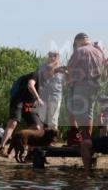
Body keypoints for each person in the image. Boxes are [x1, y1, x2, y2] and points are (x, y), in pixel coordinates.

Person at [65, 32, 106, 171]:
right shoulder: (99, 51)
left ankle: (85, 139)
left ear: (78, 42)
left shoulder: (79, 51)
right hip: (95, 85)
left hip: (81, 85)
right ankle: (88, 139)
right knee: (88, 113)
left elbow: (70, 68)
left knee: (82, 113)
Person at [0, 69, 43, 157]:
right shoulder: (35, 75)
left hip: (29, 104)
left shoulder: (48, 79)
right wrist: (38, 98)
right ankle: (1, 149)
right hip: (18, 101)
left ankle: (30, 154)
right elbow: (30, 85)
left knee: (36, 127)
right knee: (13, 123)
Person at [36, 51, 65, 130]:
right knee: (41, 118)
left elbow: (65, 82)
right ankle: (40, 138)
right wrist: (55, 68)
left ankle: (51, 139)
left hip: (55, 96)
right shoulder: (42, 66)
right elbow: (44, 76)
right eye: (51, 55)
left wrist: (68, 74)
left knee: (53, 119)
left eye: (56, 56)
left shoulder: (62, 67)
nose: (53, 57)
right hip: (42, 96)